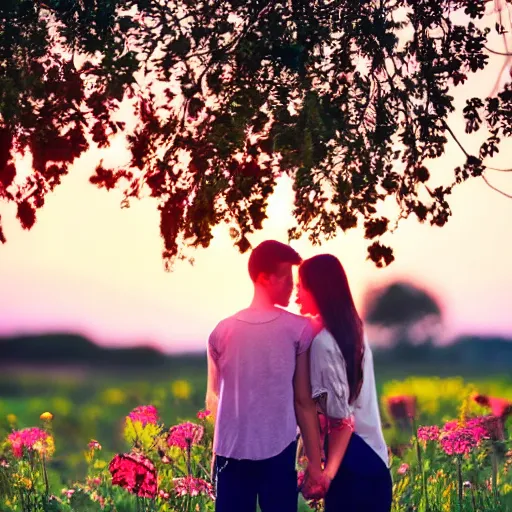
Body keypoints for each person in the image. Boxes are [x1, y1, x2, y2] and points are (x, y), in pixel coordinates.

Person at [206, 240, 324, 512]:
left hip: (253, 454)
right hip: (258, 454)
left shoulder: (222, 332)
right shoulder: (299, 329)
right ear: (263, 278)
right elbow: (304, 401)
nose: (291, 286)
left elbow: (217, 399)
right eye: (286, 279)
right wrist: (315, 467)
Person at [297, 254, 392, 512]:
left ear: (317, 288)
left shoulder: (324, 344)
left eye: (301, 284)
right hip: (374, 461)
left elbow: (341, 421)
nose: (296, 292)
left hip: (351, 467)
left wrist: (324, 475)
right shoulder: (354, 332)